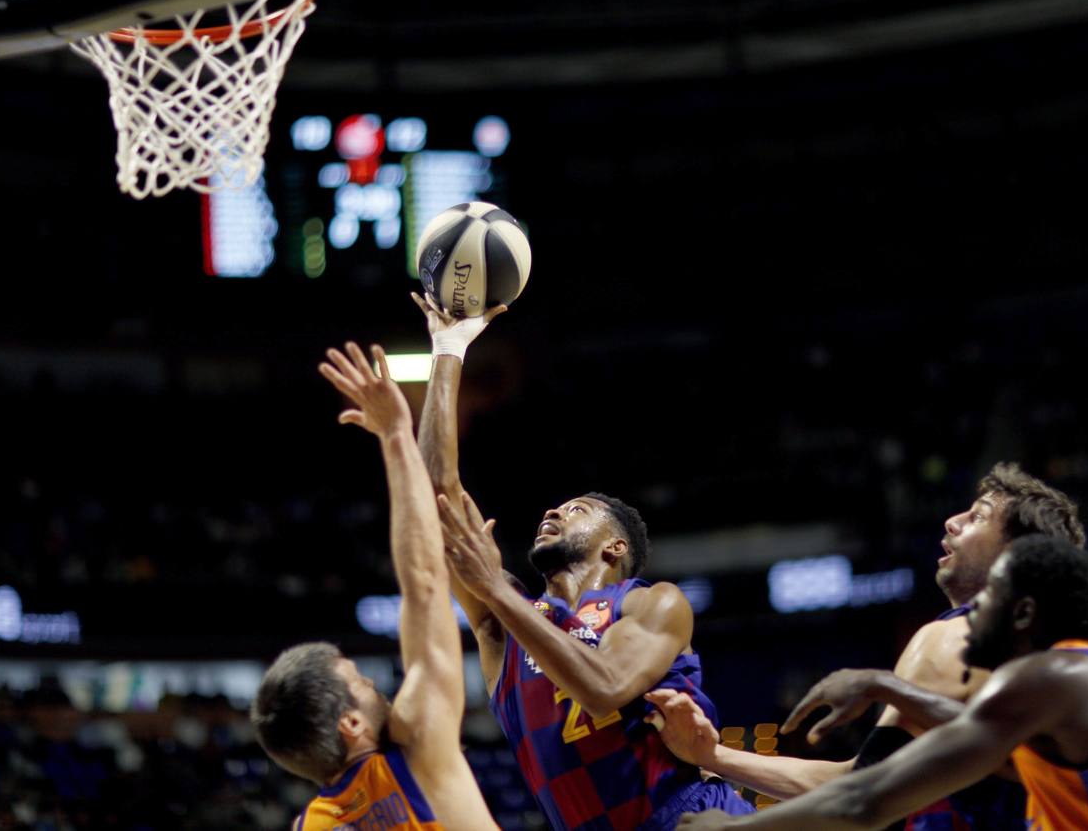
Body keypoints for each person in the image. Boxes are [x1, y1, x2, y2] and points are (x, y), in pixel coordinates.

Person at [413, 292, 755, 831]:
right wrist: (448, 349)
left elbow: (603, 689)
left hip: (692, 820)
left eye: (578, 509)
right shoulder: (503, 630)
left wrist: (496, 592)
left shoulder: (650, 602)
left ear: (615, 547)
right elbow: (433, 496)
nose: (554, 509)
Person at [674, 536, 1088, 830]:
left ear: (1022, 614)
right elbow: (978, 744)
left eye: (985, 601)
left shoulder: (1048, 678)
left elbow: (867, 801)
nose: (967, 617)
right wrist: (884, 685)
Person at [647, 464, 1085, 829]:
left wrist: (733, 827)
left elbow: (862, 798)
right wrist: (715, 756)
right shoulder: (1055, 664)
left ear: (1016, 555)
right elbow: (868, 778)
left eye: (978, 517)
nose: (952, 521)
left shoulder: (951, 637)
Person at [250, 342, 498, 830]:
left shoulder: (311, 826)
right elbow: (425, 584)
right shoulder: (414, 751)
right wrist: (395, 434)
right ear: (352, 725)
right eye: (361, 685)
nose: (379, 690)